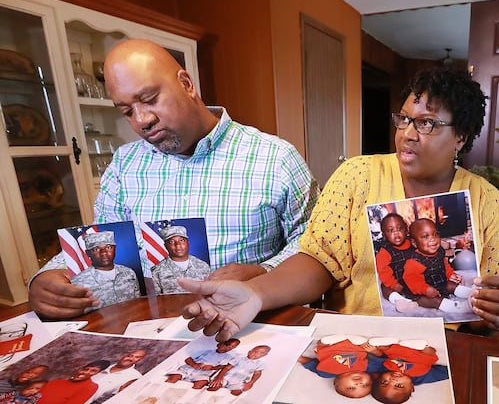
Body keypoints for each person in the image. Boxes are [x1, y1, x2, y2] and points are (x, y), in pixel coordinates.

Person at [180, 66, 499, 341]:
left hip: (441, 349)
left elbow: (480, 320)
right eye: (403, 119)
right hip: (353, 340)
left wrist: (498, 312)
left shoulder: (489, 204)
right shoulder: (357, 176)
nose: (407, 134)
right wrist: (256, 294)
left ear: (460, 136)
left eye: (426, 123)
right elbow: (320, 261)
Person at [28, 39, 319, 319]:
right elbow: (102, 237)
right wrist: (47, 277)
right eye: (127, 112)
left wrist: (265, 272)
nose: (142, 120)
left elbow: (314, 244)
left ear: (187, 84)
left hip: (252, 323)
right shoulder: (124, 164)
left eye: (149, 100)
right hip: (150, 326)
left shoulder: (275, 157)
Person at [401, 218, 473, 313]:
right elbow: (412, 281)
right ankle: (457, 307)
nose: (433, 239)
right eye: (425, 236)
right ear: (414, 243)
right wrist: (425, 289)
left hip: (438, 283)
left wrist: (450, 274)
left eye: (435, 234)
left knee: (451, 285)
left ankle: (470, 293)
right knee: (434, 300)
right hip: (420, 291)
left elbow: (444, 265)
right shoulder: (414, 261)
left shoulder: (439, 252)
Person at [70, 231, 140, 310]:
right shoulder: (77, 282)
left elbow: (138, 304)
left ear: (115, 249)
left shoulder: (129, 273)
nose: (104, 253)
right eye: (96, 249)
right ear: (88, 253)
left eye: (108, 247)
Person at [297, 335, 384, 399]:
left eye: (351, 388)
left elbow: (311, 365)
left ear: (336, 382)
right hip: (353, 343)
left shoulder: (327, 373)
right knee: (361, 341)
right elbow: (380, 358)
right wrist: (374, 351)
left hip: (329, 346)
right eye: (365, 385)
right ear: (371, 380)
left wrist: (300, 358)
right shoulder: (369, 367)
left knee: (322, 344)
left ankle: (328, 341)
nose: (359, 384)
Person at [374, 213, 419, 312]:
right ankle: (399, 300)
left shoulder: (413, 244)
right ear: (384, 235)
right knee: (385, 287)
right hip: (397, 281)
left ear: (406, 230)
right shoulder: (385, 251)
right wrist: (393, 284)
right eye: (391, 231)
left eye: (399, 228)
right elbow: (383, 271)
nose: (396, 233)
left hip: (414, 280)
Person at [151, 226, 210, 294]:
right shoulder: (156, 272)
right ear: (165, 246)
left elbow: (209, 293)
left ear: (188, 242)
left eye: (181, 240)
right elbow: (156, 299)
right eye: (171, 242)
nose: (178, 245)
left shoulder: (203, 266)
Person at [165, 339, 239, 391]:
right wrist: (194, 364)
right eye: (226, 345)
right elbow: (188, 359)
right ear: (218, 344)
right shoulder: (206, 351)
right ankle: (160, 394)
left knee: (200, 383)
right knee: (175, 377)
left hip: (203, 374)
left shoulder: (227, 357)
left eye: (231, 348)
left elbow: (223, 367)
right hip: (187, 369)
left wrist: (212, 367)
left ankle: (188, 398)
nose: (226, 348)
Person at [37, 360, 110, 404]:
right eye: (85, 369)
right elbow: (35, 397)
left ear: (97, 373)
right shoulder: (57, 382)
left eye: (93, 371)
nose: (86, 372)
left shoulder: (90, 387)